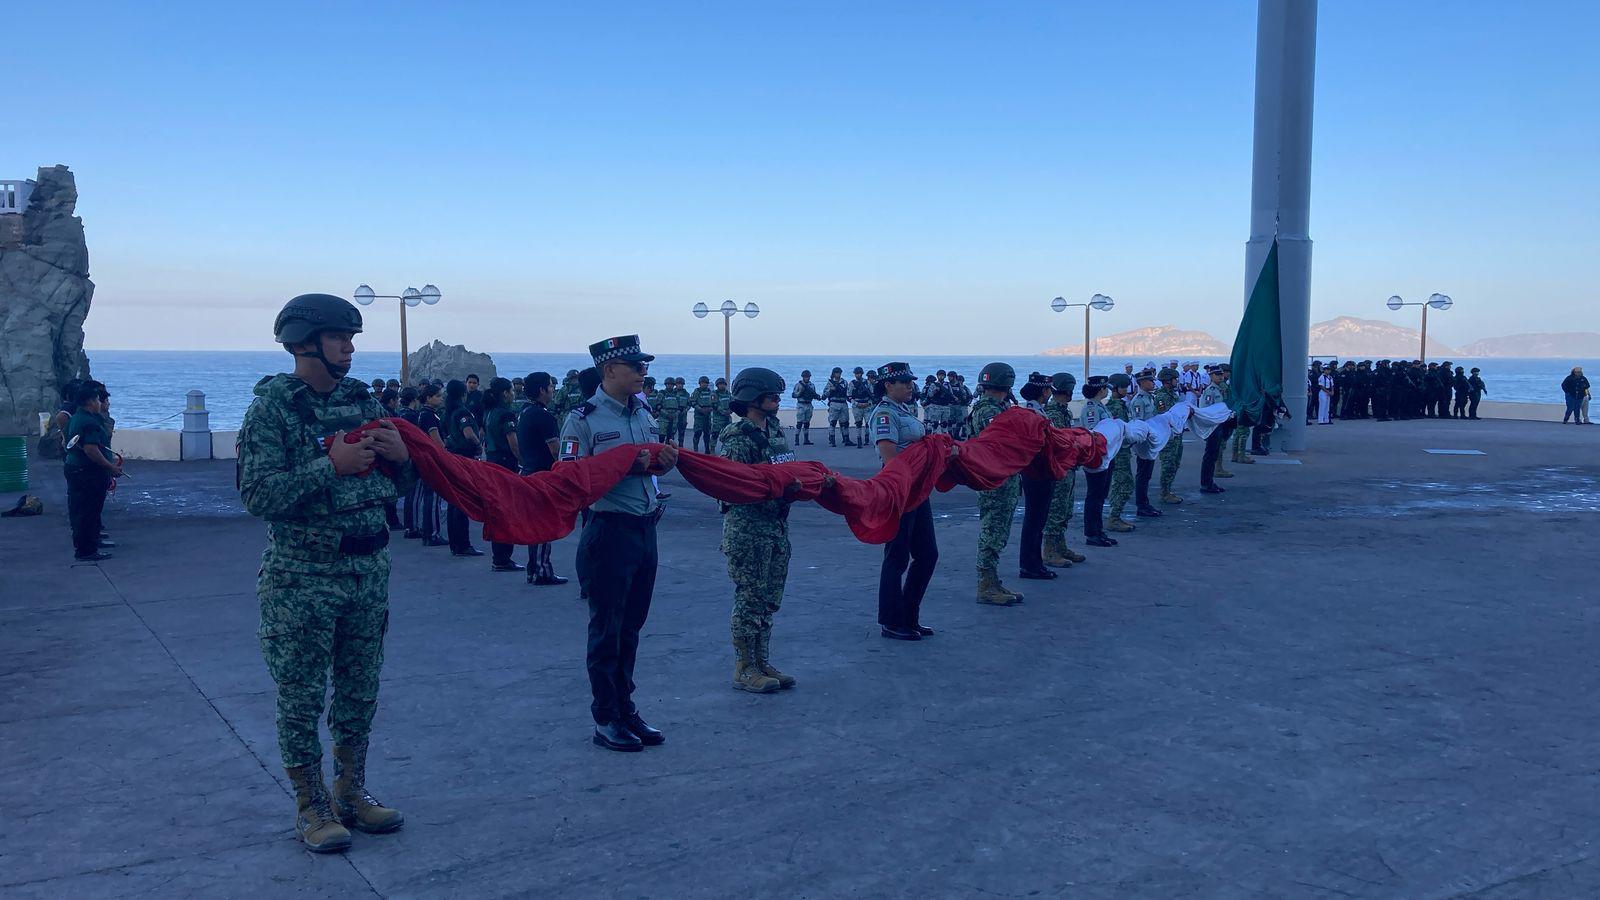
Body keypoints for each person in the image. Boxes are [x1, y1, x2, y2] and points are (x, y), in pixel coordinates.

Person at [238, 293, 412, 853]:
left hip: (368, 568)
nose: (350, 347)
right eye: (340, 337)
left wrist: (403, 460)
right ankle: (310, 805)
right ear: (303, 342)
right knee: (302, 694)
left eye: (351, 336)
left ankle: (351, 791)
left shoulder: (363, 402)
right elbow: (257, 493)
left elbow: (393, 489)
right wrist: (328, 466)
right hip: (303, 576)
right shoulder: (272, 410)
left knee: (360, 689)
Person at [562, 335, 678, 752]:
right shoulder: (584, 419)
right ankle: (606, 717)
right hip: (609, 531)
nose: (642, 372)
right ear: (609, 370)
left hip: (645, 529)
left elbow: (651, 465)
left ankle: (627, 708)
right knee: (606, 630)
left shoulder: (643, 409)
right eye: (634, 366)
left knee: (631, 629)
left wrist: (664, 461)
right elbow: (571, 475)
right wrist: (630, 466)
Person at [719, 367, 813, 693]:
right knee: (749, 598)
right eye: (771, 395)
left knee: (769, 599)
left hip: (775, 526)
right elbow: (731, 486)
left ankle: (761, 660)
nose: (777, 399)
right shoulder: (737, 439)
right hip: (748, 529)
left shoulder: (773, 430)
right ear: (751, 398)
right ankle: (744, 668)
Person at [871, 362, 952, 640]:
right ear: (887, 385)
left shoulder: (905, 411)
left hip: (919, 491)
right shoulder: (884, 414)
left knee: (928, 554)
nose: (909, 386)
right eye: (903, 382)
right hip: (899, 492)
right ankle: (892, 622)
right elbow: (889, 456)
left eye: (910, 381)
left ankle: (910, 615)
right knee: (896, 557)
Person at [970, 363, 1026, 606]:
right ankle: (986, 585)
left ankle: (992, 581)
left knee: (999, 530)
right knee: (992, 531)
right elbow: (1007, 440)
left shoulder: (997, 408)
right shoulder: (988, 411)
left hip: (1003, 477)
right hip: (994, 479)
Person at [517, 372, 568, 586]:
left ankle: (535, 568)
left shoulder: (524, 412)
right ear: (541, 390)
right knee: (543, 524)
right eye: (550, 386)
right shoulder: (543, 416)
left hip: (529, 470)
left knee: (536, 522)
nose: (553, 390)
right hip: (542, 474)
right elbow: (556, 449)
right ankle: (541, 570)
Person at [63, 381, 120, 562]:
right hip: (88, 472)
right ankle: (87, 550)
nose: (99, 402)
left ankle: (86, 546)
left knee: (81, 509)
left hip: (74, 468)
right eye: (96, 399)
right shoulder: (89, 422)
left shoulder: (75, 418)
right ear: (89, 401)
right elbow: (91, 449)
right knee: (89, 511)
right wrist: (110, 467)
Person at [1015, 375, 1058, 583]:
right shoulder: (1033, 413)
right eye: (1049, 390)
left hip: (1038, 471)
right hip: (1036, 472)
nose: (1050, 393)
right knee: (1035, 519)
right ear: (1044, 392)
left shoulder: (1035, 410)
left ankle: (1034, 562)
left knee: (1037, 519)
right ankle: (1030, 564)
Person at [1040, 372, 1086, 568]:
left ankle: (1061, 545)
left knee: (1066, 508)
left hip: (1068, 467)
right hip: (1058, 468)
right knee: (1056, 509)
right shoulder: (1052, 413)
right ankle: (1049, 550)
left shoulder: (1064, 412)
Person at [480, 377, 525, 573]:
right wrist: (524, 461)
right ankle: (503, 558)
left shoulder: (489, 413)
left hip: (491, 462)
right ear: (505, 393)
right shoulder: (507, 415)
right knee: (507, 512)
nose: (514, 394)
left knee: (497, 511)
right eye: (511, 392)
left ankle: (499, 556)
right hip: (506, 464)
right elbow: (513, 444)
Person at [443, 380, 484, 557]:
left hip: (452, 455)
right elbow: (468, 433)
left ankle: (455, 544)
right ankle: (463, 544)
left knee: (454, 502)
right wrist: (478, 444)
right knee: (462, 502)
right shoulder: (462, 412)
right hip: (464, 457)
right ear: (463, 394)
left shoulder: (447, 412)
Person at [1078, 376, 1116, 547]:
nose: (1107, 390)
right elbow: (1093, 432)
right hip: (1096, 456)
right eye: (1105, 388)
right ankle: (1092, 532)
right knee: (1095, 495)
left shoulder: (1101, 406)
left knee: (1101, 495)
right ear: (1101, 389)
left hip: (1106, 454)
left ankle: (1099, 530)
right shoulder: (1091, 409)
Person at [413, 384, 448, 547]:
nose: (441, 399)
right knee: (433, 498)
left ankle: (428, 532)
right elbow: (436, 439)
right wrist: (445, 454)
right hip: (432, 459)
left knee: (429, 497)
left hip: (425, 459)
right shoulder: (429, 416)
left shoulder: (423, 414)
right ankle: (433, 533)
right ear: (428, 398)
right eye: (438, 396)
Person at [1104, 373, 1138, 533]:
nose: (1126, 389)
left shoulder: (1120, 405)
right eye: (1123, 387)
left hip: (1122, 450)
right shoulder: (1115, 407)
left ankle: (1115, 516)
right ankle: (1114, 517)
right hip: (1118, 452)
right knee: (1123, 484)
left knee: (1122, 483)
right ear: (1115, 389)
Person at [1153, 367, 1186, 504]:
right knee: (1168, 464)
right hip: (1168, 436)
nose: (1177, 381)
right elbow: (1163, 415)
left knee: (1175, 463)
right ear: (1167, 381)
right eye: (1174, 379)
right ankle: (1165, 492)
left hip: (1176, 434)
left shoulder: (1173, 395)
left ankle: (1168, 489)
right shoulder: (1162, 397)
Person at [1199, 366, 1233, 494]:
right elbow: (1206, 410)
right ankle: (1206, 483)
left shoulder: (1222, 389)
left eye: (1221, 374)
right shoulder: (1210, 391)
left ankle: (1209, 481)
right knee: (1210, 454)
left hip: (1221, 424)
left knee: (1214, 454)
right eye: (1217, 375)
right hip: (1213, 426)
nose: (1220, 376)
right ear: (1211, 376)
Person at [790, 369, 820, 446]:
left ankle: (806, 439)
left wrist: (817, 396)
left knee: (807, 423)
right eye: (805, 377)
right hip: (801, 405)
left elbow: (814, 394)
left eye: (808, 377)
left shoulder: (812, 385)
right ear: (803, 377)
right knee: (799, 423)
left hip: (809, 404)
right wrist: (800, 392)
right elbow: (793, 395)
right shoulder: (798, 385)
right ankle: (797, 439)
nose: (807, 378)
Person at [849, 366, 874, 446]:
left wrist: (868, 403)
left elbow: (872, 395)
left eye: (859, 373)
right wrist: (857, 404)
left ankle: (867, 439)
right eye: (856, 374)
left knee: (868, 423)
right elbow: (849, 397)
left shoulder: (867, 383)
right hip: (857, 406)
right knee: (858, 424)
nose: (858, 375)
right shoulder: (852, 383)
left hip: (867, 405)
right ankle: (859, 439)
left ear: (862, 374)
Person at [690, 376, 716, 452]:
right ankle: (695, 449)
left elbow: (714, 404)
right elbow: (693, 402)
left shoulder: (711, 392)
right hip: (699, 415)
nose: (704, 384)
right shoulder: (697, 392)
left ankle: (707, 449)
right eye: (702, 383)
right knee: (697, 432)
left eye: (705, 383)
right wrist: (700, 409)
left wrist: (710, 409)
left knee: (707, 433)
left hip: (707, 415)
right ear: (699, 384)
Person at [709, 377, 733, 451]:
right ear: (717, 385)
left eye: (723, 384)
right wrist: (723, 412)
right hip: (718, 419)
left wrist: (730, 410)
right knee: (715, 434)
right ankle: (712, 449)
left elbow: (732, 403)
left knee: (728, 434)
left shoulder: (728, 394)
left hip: (727, 418)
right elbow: (715, 405)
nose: (722, 386)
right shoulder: (714, 394)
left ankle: (726, 449)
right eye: (720, 384)